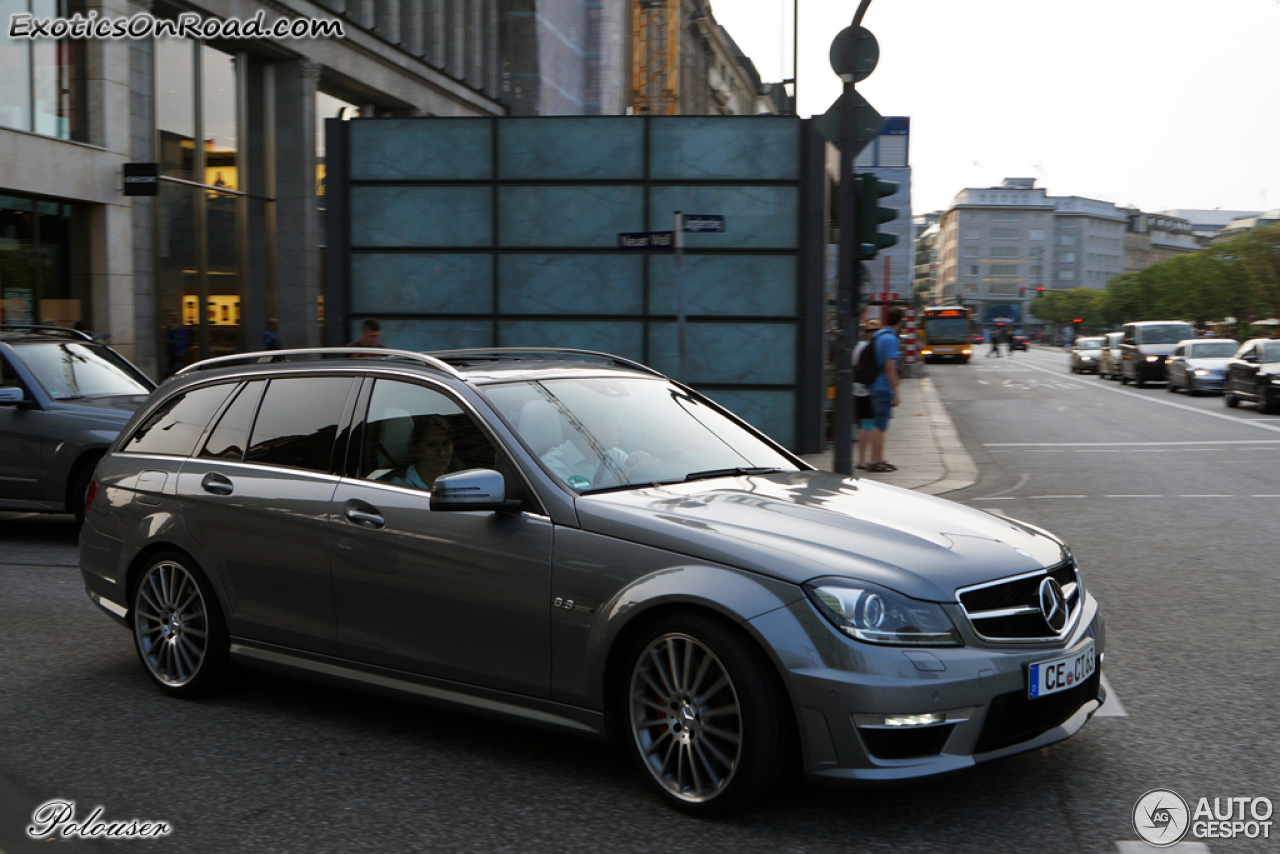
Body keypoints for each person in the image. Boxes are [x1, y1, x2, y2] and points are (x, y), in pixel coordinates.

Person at [541, 404, 659, 490]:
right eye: (614, 421)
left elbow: (634, 468)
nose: (620, 427)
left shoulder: (613, 454)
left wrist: (640, 460)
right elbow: (574, 501)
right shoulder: (553, 465)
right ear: (594, 429)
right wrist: (630, 474)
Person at [865, 307, 903, 473]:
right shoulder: (890, 339)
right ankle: (875, 460)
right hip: (883, 387)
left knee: (879, 423)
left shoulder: (879, 336)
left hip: (874, 385)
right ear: (900, 322)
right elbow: (889, 367)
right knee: (879, 425)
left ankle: (879, 458)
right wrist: (894, 391)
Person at [387, 415, 455, 491]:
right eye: (432, 445)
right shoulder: (398, 488)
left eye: (446, 444)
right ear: (415, 450)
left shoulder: (452, 484)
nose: (442, 453)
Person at [852, 319, 880, 470]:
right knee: (867, 425)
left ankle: (863, 458)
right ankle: (863, 459)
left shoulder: (858, 347)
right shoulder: (871, 347)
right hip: (868, 389)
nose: (871, 333)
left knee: (864, 425)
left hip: (858, 388)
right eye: (869, 330)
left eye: (874, 330)